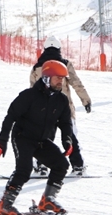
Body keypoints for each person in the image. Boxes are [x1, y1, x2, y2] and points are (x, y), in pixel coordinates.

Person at [0, 60, 75, 215]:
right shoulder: (28, 96)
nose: (61, 81)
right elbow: (10, 118)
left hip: (41, 140)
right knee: (24, 170)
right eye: (58, 78)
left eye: (63, 78)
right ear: (47, 78)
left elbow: (65, 123)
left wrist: (67, 141)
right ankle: (5, 205)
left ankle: (47, 200)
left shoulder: (61, 100)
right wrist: (2, 142)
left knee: (61, 165)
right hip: (22, 137)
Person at [29, 36, 91, 176]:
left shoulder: (37, 67)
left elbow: (33, 90)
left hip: (45, 109)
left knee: (44, 138)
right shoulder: (65, 65)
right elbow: (76, 83)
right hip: (64, 108)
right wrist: (86, 100)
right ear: (59, 49)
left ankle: (41, 166)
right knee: (69, 137)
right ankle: (78, 166)